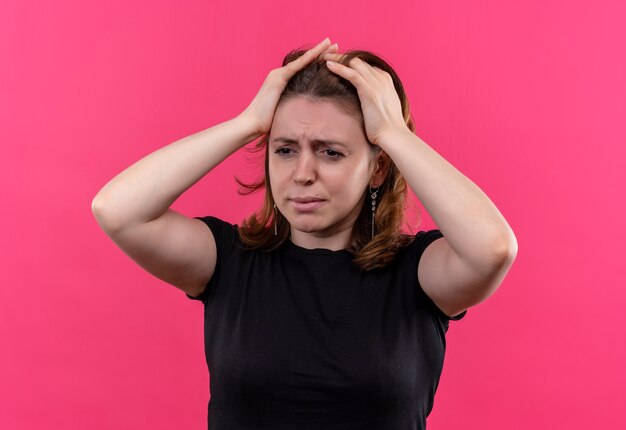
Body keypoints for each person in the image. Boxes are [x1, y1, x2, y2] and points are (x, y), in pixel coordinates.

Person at [92, 37, 517, 429]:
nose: (302, 174)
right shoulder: (228, 261)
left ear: (378, 168)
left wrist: (392, 133)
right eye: (285, 150)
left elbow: (493, 249)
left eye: (330, 152)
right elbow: (118, 210)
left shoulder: (419, 273)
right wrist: (247, 122)